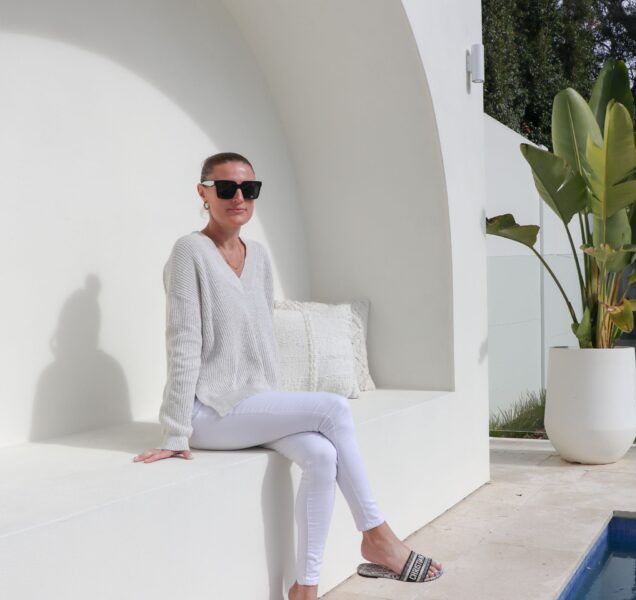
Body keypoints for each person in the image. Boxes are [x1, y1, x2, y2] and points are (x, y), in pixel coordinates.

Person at [133, 152, 442, 600]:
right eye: (225, 188)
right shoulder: (189, 252)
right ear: (203, 193)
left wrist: (279, 408)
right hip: (209, 411)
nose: (238, 197)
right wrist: (175, 433)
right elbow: (182, 341)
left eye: (248, 189)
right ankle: (376, 534)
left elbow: (261, 340)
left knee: (320, 456)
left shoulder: (257, 256)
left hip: (253, 405)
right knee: (333, 409)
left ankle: (305, 588)